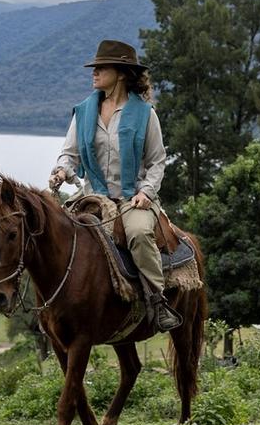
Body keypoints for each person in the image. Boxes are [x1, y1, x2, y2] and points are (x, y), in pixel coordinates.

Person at [47, 39, 183, 332]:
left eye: (101, 68)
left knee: (139, 233)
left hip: (132, 198)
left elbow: (157, 161)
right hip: (92, 195)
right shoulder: (84, 111)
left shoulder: (145, 114)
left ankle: (157, 300)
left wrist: (146, 192)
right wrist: (61, 170)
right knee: (54, 234)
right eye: (94, 68)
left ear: (120, 73)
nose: (94, 73)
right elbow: (69, 155)